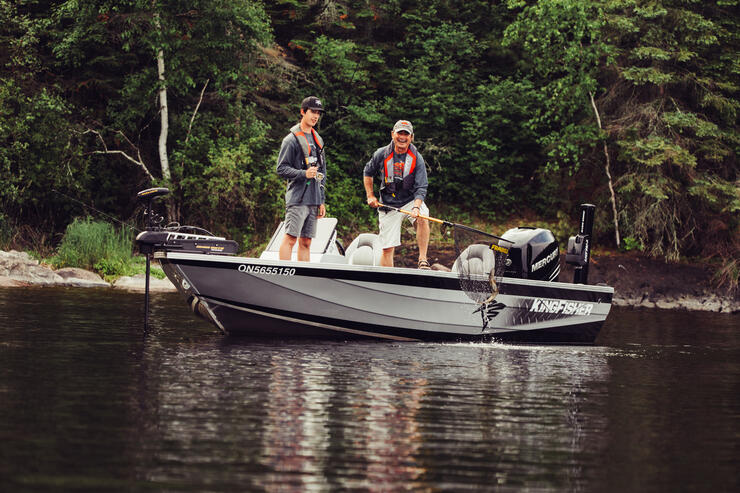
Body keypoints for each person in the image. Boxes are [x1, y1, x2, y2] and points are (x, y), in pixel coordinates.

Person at [363, 119, 431, 269]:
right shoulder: (381, 154)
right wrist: (370, 196)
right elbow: (367, 173)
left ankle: (423, 260)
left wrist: (416, 207)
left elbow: (422, 186)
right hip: (388, 204)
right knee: (387, 248)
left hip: (410, 200)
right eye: (399, 133)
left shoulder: (417, 158)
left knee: (423, 218)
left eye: (406, 134)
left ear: (411, 137)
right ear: (392, 134)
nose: (402, 137)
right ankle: (387, 280)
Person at [276, 96, 327, 261]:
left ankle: (302, 277)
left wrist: (322, 200)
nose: (315, 116)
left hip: (314, 199)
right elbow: (281, 169)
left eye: (318, 113)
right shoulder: (290, 140)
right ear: (303, 112)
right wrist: (303, 174)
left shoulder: (318, 140)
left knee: (306, 242)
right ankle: (284, 275)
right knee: (290, 239)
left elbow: (322, 172)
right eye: (312, 112)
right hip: (297, 199)